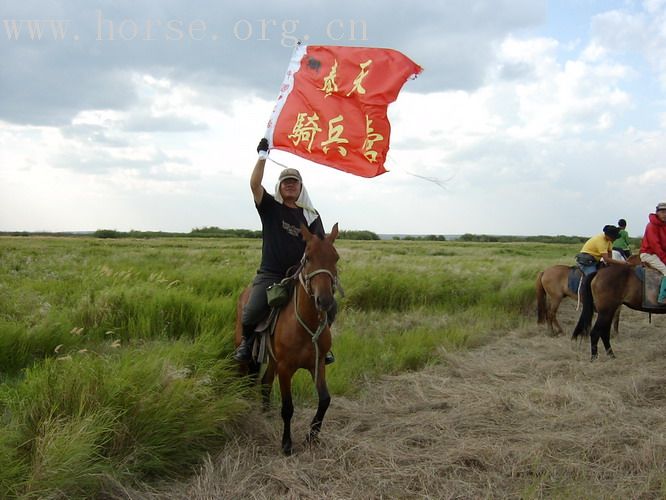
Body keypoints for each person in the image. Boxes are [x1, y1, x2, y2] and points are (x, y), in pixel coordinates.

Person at [234, 138, 336, 363]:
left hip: (300, 275)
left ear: (301, 187)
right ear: (280, 187)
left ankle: (323, 346)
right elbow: (254, 185)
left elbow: (319, 246)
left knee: (331, 305)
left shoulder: (311, 215)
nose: (290, 185)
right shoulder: (271, 207)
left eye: (294, 182)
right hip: (271, 274)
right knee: (252, 310)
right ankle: (246, 344)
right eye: (286, 182)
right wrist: (262, 156)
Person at [639, 203, 666, 303]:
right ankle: (663, 297)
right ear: (657, 213)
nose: (665, 214)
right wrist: (665, 259)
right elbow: (655, 245)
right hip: (649, 253)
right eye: (662, 212)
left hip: (659, 254)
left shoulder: (664, 225)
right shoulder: (652, 226)